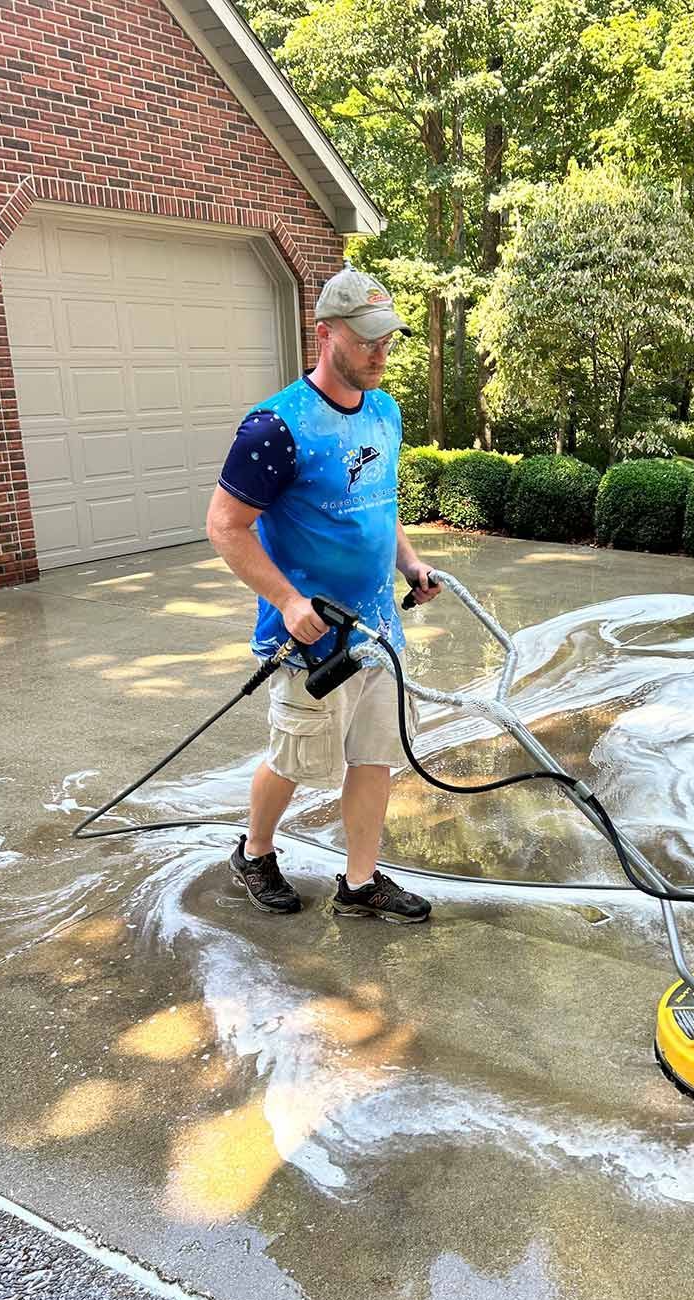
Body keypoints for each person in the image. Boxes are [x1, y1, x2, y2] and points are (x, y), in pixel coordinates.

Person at [205, 263, 441, 921]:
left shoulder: (385, 412)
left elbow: (379, 504)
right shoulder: (275, 427)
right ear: (325, 334)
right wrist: (287, 601)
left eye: (386, 340)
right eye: (365, 341)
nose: (379, 354)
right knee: (293, 759)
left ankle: (360, 884)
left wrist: (410, 565)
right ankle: (255, 851)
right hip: (310, 642)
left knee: (374, 757)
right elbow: (225, 526)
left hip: (378, 635)